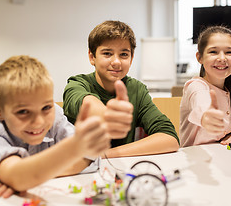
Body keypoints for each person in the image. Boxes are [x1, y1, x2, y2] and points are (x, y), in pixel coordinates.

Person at [0, 55, 110, 198]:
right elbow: (19, 177)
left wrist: (27, 177)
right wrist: (74, 148)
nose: (39, 122)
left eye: (46, 107)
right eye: (23, 112)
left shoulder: (55, 117)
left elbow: (88, 158)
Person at [63, 20, 179, 158]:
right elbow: (88, 103)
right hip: (78, 172)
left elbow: (169, 138)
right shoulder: (77, 84)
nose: (116, 62)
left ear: (131, 58)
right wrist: (106, 115)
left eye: (124, 54)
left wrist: (105, 155)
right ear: (92, 57)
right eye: (107, 53)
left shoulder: (137, 90)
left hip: (119, 168)